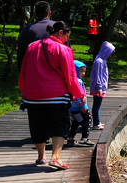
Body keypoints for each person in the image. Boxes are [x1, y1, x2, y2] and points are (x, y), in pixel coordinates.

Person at [18, 21, 84, 170]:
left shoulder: (32, 47)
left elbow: (24, 71)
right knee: (60, 125)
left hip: (33, 96)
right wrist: (79, 94)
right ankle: (56, 158)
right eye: (67, 36)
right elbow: (71, 76)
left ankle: (41, 157)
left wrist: (23, 89)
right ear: (60, 33)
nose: (67, 39)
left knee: (37, 125)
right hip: (57, 95)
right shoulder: (64, 50)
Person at [16, 1, 55, 70]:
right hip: (55, 72)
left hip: (34, 71)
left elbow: (21, 54)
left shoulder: (27, 29)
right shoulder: (59, 28)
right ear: (49, 13)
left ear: (35, 13)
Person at [67, 60, 93, 146]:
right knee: (87, 120)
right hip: (79, 107)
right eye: (81, 71)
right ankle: (84, 137)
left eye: (84, 71)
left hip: (72, 108)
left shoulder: (70, 80)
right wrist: (83, 105)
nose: (83, 73)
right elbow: (80, 94)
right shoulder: (78, 81)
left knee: (75, 122)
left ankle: (70, 138)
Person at [90, 41, 115, 130]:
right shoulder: (99, 61)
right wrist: (99, 87)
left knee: (98, 105)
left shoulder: (102, 60)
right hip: (98, 88)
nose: (110, 55)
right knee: (96, 105)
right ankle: (96, 123)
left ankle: (98, 121)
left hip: (101, 87)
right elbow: (98, 75)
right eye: (110, 53)